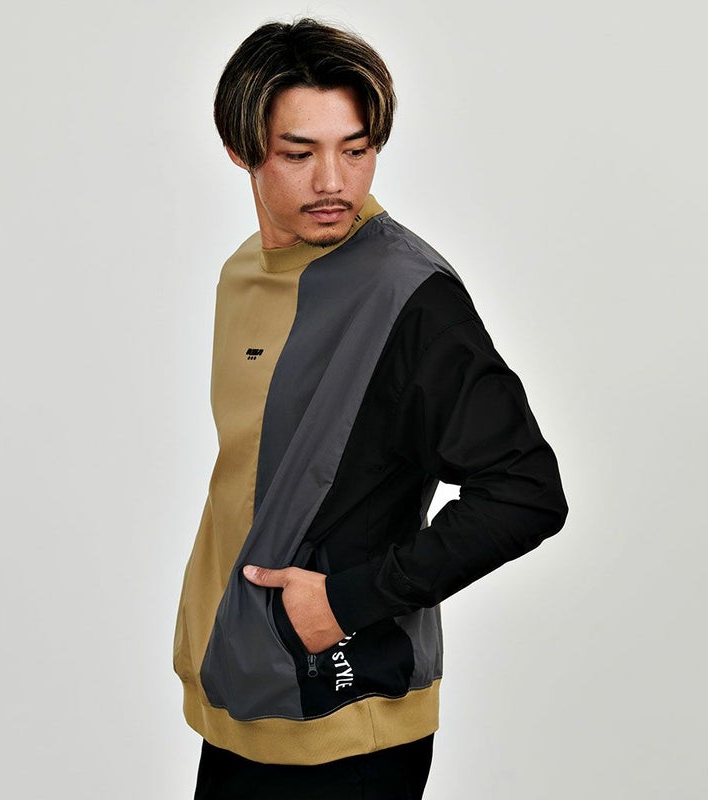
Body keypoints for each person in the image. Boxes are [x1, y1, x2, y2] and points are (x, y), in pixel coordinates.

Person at [173, 18, 568, 799]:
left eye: (355, 150)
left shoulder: (408, 297)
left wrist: (343, 603)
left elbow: (526, 492)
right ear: (240, 151)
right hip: (239, 694)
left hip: (347, 714)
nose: (333, 182)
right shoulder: (243, 274)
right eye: (299, 154)